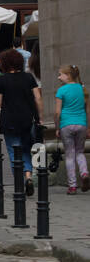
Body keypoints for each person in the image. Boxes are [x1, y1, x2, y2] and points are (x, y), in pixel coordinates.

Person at [0, 48, 43, 197]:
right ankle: (28, 177)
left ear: (5, 64)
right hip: (28, 120)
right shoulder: (28, 78)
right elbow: (38, 98)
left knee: (14, 152)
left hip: (9, 121)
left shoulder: (2, 80)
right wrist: (40, 117)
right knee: (27, 150)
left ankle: (19, 183)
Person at [54, 64, 88, 195]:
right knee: (80, 152)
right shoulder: (82, 89)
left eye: (60, 74)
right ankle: (84, 173)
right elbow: (88, 110)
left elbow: (57, 112)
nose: (58, 77)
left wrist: (57, 127)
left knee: (69, 155)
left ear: (68, 76)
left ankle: (72, 186)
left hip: (66, 124)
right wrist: (88, 127)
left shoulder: (61, 91)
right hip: (81, 124)